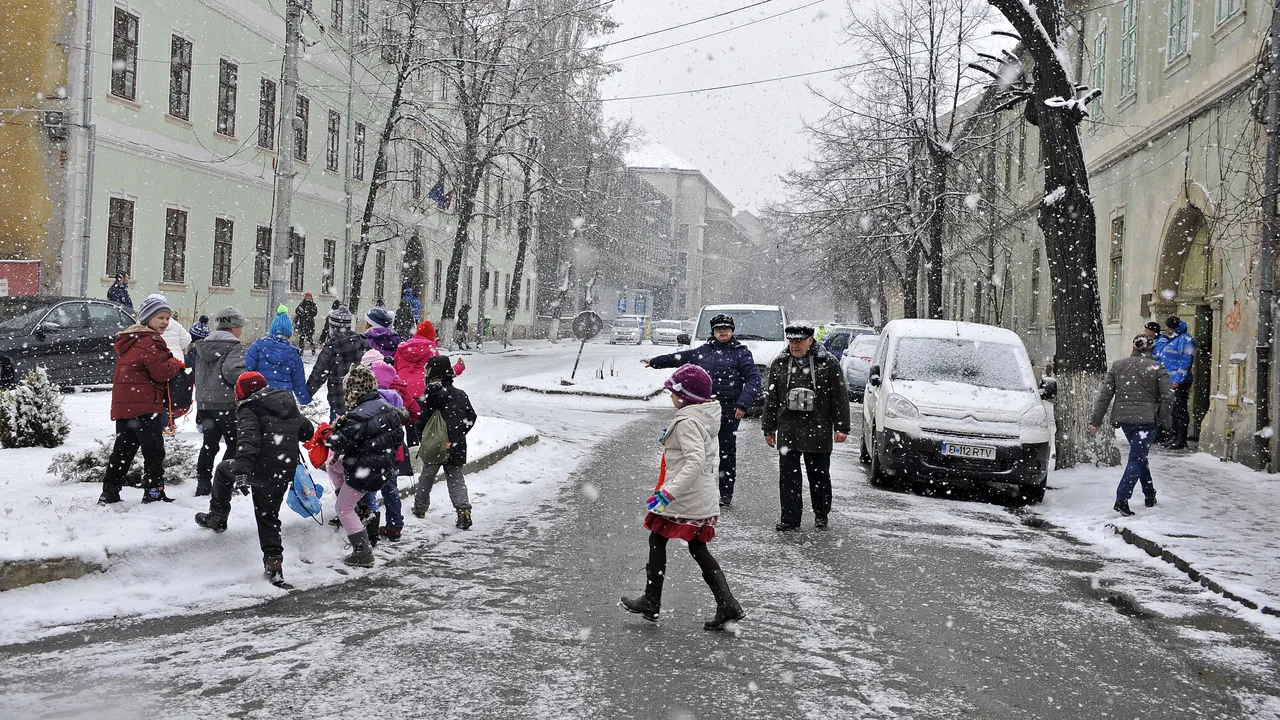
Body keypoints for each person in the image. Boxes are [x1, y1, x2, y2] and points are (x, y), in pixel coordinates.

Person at [620, 364, 745, 631]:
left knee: (660, 539)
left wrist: (668, 493)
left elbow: (695, 460)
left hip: (684, 497)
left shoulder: (688, 420)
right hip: (698, 496)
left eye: (674, 392)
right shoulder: (701, 416)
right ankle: (727, 604)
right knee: (692, 546)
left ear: (686, 397)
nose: (670, 396)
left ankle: (653, 602)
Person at [195, 371, 315, 586]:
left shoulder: (249, 408)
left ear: (242, 391)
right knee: (268, 516)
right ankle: (274, 564)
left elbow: (248, 441)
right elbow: (307, 432)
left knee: (223, 470)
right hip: (282, 470)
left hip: (259, 468)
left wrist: (241, 472)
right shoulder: (286, 402)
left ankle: (218, 517)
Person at [643, 313, 761, 506]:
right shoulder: (704, 351)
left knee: (727, 453)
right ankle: (693, 489)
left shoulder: (741, 353)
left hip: (730, 410)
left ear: (732, 331)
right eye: (719, 329)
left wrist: (742, 403)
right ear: (713, 332)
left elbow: (754, 379)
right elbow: (679, 358)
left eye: (726, 329)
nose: (723, 332)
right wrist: (656, 362)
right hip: (703, 411)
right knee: (697, 452)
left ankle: (725, 494)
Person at [761, 321, 851, 531]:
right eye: (791, 341)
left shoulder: (828, 363)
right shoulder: (780, 363)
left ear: (811, 340)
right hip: (788, 428)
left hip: (817, 427)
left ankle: (821, 514)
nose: (794, 345)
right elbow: (772, 398)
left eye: (799, 341)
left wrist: (841, 427)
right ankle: (790, 519)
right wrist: (768, 428)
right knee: (788, 477)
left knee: (819, 475)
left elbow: (839, 397)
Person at [99, 294, 185, 504]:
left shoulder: (130, 339)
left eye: (167, 318)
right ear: (147, 319)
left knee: (123, 450)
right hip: (145, 406)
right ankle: (154, 492)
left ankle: (109, 492)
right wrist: (175, 362)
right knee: (154, 450)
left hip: (126, 406)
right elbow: (161, 373)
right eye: (160, 318)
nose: (165, 322)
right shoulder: (151, 341)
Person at [326, 364, 406, 567]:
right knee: (335, 468)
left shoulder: (356, 416)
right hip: (383, 469)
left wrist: (333, 432)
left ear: (352, 391)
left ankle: (362, 551)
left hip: (365, 472)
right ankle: (362, 510)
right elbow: (398, 438)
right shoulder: (388, 408)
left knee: (343, 508)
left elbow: (339, 443)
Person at [1090, 335, 1173, 516]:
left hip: (1125, 420)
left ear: (1133, 346)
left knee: (1139, 454)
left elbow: (1105, 395)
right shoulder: (1157, 368)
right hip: (1147, 421)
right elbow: (1168, 396)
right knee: (1137, 457)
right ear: (1151, 348)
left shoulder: (1118, 366)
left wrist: (1096, 421)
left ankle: (1149, 494)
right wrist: (1165, 421)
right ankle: (1122, 499)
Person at [412, 356, 478, 529]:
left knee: (427, 477)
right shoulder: (460, 394)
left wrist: (424, 439)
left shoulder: (430, 396)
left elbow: (421, 422)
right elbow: (471, 417)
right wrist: (456, 436)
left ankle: (420, 508)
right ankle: (463, 509)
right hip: (456, 446)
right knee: (456, 478)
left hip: (435, 445)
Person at [191, 306, 247, 496]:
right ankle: (223, 481)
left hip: (205, 404)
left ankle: (203, 483)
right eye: (240, 327)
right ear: (232, 328)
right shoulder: (234, 346)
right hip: (226, 404)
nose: (241, 331)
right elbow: (232, 372)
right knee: (234, 443)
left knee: (209, 443)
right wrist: (247, 376)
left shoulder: (203, 345)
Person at [394, 320, 466, 429]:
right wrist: (459, 367)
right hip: (424, 393)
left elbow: (395, 372)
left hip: (405, 394)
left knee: (410, 425)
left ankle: (413, 444)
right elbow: (442, 374)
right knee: (424, 427)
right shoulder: (432, 351)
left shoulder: (402, 350)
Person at [307, 305, 368, 419]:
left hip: (338, 401)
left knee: (337, 433)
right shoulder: (363, 343)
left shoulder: (331, 347)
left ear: (332, 328)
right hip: (362, 402)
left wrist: (306, 395)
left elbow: (319, 373)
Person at [246, 306, 312, 406]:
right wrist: (304, 400)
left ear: (272, 330)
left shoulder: (257, 347)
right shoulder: (294, 355)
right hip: (283, 403)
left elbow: (245, 373)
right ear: (289, 334)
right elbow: (299, 383)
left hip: (259, 399)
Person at [1159, 316, 1196, 450]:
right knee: (1174, 410)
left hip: (1180, 382)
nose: (1167, 330)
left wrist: (1178, 380)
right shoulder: (1175, 339)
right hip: (1172, 380)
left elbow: (1185, 361)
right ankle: (1174, 437)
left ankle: (1181, 439)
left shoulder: (1185, 340)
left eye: (1169, 327)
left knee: (1180, 410)